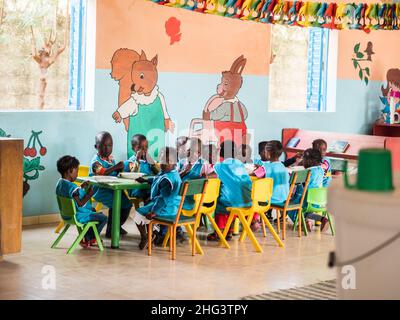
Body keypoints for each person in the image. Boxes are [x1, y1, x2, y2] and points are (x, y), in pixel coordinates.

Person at [133, 147, 182, 250]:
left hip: (165, 209)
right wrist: (146, 180)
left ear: (175, 162)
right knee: (147, 205)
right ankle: (153, 233)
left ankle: (145, 237)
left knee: (138, 213)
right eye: (162, 160)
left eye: (167, 161)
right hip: (174, 208)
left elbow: (162, 199)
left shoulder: (167, 180)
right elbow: (157, 178)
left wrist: (154, 212)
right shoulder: (171, 174)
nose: (164, 163)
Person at [56, 155, 107, 248]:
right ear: (70, 171)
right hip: (79, 215)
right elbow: (80, 203)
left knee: (93, 210)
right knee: (103, 218)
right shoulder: (72, 187)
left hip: (67, 214)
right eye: (77, 170)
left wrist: (81, 187)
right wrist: (89, 195)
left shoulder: (60, 183)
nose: (77, 173)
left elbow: (72, 195)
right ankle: (88, 237)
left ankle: (90, 236)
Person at [89, 131, 132, 238]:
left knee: (127, 203)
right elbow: (102, 171)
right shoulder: (95, 161)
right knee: (116, 203)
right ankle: (111, 230)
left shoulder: (111, 159)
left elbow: (113, 174)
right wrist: (115, 167)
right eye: (103, 145)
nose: (107, 148)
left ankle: (116, 225)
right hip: (99, 190)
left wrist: (120, 170)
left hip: (112, 188)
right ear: (96, 146)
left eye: (109, 145)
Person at [207, 140, 252, 241]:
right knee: (228, 194)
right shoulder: (240, 164)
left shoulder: (221, 166)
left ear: (221, 152)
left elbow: (211, 176)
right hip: (247, 201)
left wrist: (204, 176)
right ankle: (229, 230)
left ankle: (220, 231)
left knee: (220, 201)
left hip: (232, 204)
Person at [288, 148, 329, 232]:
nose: (303, 161)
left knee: (290, 207)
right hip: (318, 201)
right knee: (307, 212)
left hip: (306, 201)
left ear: (308, 161)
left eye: (304, 159)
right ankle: (320, 219)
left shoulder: (307, 172)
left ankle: (302, 223)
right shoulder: (321, 170)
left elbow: (296, 182)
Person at [252, 140, 290, 227]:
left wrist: (258, 169)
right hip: (284, 198)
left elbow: (254, 174)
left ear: (268, 153)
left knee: (253, 196)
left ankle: (254, 220)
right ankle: (264, 216)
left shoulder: (266, 167)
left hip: (271, 199)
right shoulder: (283, 166)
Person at [124, 134, 159, 200]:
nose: (144, 150)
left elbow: (159, 173)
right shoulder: (130, 162)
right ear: (133, 148)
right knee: (153, 195)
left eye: (146, 147)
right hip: (137, 189)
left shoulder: (150, 161)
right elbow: (132, 175)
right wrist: (137, 161)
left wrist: (152, 163)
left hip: (150, 187)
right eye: (140, 148)